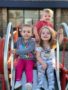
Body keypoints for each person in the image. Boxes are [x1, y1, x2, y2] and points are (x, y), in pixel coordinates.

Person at [12, 24, 35, 90]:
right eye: (24, 32)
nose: (26, 33)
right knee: (18, 66)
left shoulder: (32, 41)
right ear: (21, 33)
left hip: (30, 59)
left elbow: (28, 50)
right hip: (21, 58)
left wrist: (17, 51)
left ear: (31, 33)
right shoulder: (19, 40)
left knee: (28, 68)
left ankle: (29, 82)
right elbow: (13, 45)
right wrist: (10, 39)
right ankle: (18, 81)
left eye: (28, 32)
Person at [35, 26, 56, 90]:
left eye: (48, 33)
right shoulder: (39, 45)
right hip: (42, 60)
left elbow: (60, 40)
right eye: (43, 33)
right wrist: (43, 63)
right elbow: (37, 56)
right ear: (40, 35)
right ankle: (40, 85)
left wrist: (61, 33)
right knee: (40, 70)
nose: (45, 35)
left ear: (51, 35)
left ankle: (51, 86)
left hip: (50, 60)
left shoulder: (52, 44)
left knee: (50, 71)